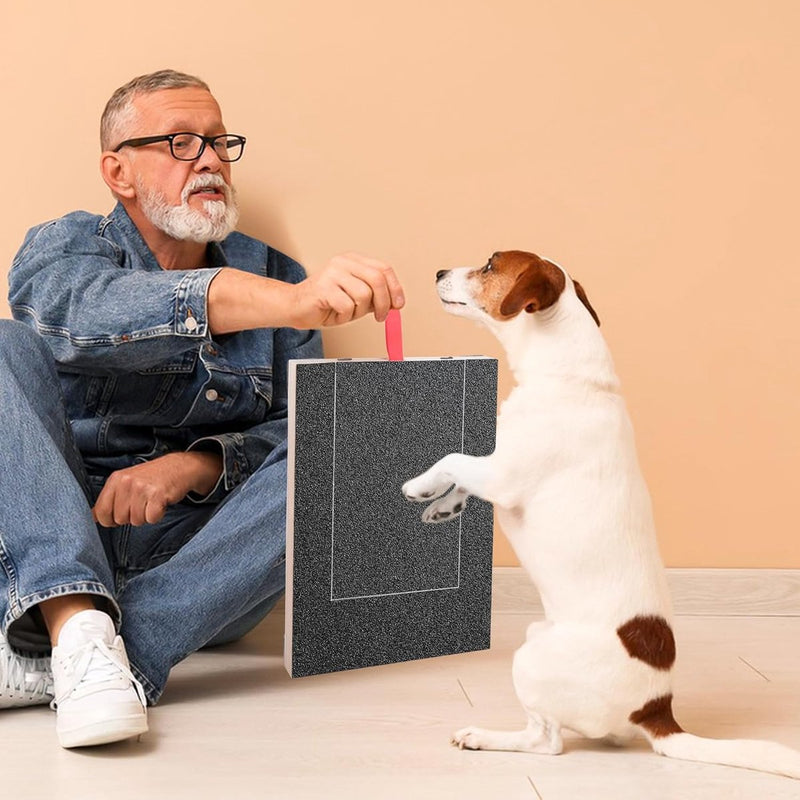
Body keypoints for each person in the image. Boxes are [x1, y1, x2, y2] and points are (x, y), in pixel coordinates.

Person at [0, 69, 404, 748]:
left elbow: (295, 431)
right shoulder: (66, 247)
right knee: (1, 344)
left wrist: (194, 467)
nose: (211, 159)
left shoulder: (276, 273)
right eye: (181, 143)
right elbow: (79, 315)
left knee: (347, 431)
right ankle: (75, 620)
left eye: (219, 142)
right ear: (119, 173)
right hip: (58, 537)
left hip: (204, 566)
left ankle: (94, 651)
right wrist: (289, 303)